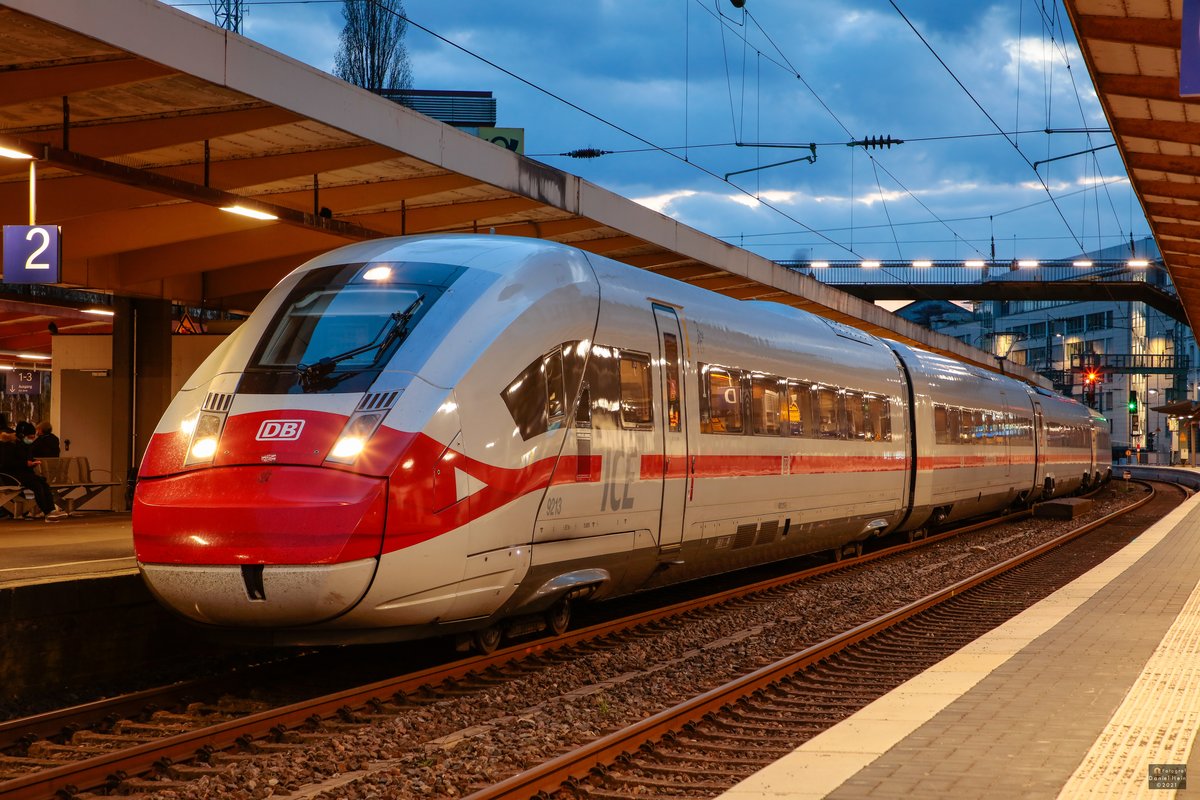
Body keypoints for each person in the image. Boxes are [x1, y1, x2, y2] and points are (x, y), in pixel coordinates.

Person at [0, 421, 65, 521]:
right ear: (22, 435)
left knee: (44, 484)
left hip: (24, 474)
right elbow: (6, 464)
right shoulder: (8, 445)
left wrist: (32, 463)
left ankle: (51, 510)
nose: (32, 439)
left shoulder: (25, 445)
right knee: (38, 486)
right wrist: (26, 464)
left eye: (33, 436)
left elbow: (25, 460)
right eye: (30, 437)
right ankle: (48, 511)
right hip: (12, 476)